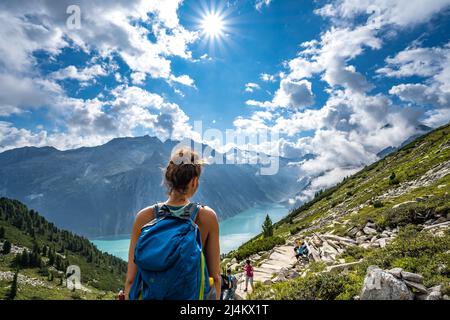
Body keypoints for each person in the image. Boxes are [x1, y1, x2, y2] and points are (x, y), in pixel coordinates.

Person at [124, 148, 221, 299]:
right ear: (194, 181)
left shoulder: (144, 217)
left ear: (168, 179)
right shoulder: (206, 217)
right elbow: (215, 278)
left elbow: (131, 280)